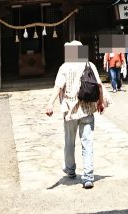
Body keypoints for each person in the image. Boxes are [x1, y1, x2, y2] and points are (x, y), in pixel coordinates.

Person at [45, 40, 107, 189]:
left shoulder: (65, 67)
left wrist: (50, 103)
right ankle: (88, 177)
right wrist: (101, 102)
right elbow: (99, 85)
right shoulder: (89, 65)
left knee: (69, 142)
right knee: (87, 143)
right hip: (87, 109)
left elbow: (58, 86)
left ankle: (71, 170)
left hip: (70, 111)